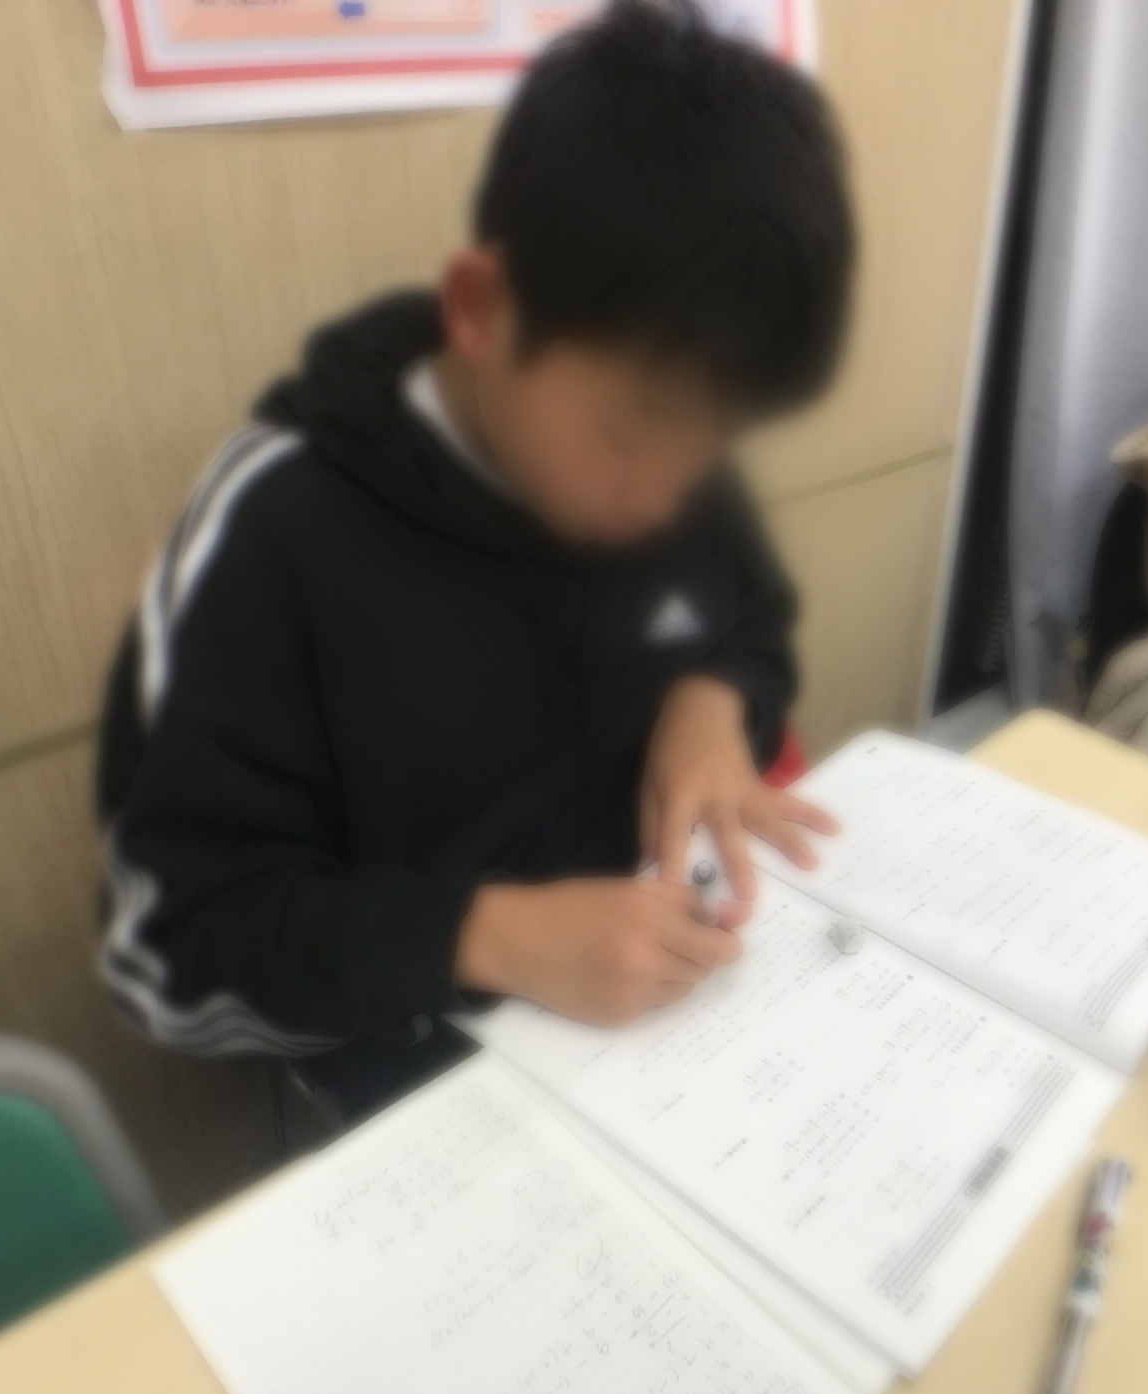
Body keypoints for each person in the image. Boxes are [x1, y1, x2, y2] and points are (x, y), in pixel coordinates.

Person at [94, 0, 854, 1113]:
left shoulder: (670, 456)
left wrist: (709, 701)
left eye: (713, 445)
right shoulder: (277, 532)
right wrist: (487, 936)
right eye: (628, 436)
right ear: (480, 311)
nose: (666, 502)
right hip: (428, 1094)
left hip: (686, 1043)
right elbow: (167, 955)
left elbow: (751, 626)